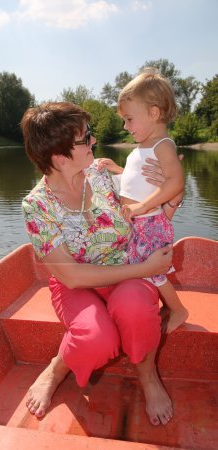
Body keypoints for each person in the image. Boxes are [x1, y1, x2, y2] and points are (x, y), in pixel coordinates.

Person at [21, 101, 177, 427]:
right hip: (77, 284)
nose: (93, 141)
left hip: (126, 270)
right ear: (60, 157)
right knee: (96, 339)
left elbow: (142, 208)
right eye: (86, 138)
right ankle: (57, 366)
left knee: (135, 308)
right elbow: (73, 277)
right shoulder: (37, 206)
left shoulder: (102, 174)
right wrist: (145, 269)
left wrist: (167, 190)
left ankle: (148, 377)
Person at [98, 69, 188, 334]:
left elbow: (176, 182)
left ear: (154, 113)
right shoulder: (144, 146)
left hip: (149, 221)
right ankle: (162, 305)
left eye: (129, 119)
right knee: (143, 267)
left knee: (152, 270)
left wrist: (142, 207)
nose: (125, 127)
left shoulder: (163, 145)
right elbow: (138, 180)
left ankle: (179, 309)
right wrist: (118, 170)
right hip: (140, 222)